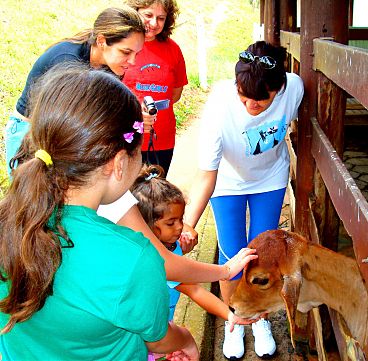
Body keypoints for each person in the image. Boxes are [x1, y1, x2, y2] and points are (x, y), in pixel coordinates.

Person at [0, 64, 198, 360]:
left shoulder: (10, 220)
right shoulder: (133, 257)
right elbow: (158, 340)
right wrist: (186, 338)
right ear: (119, 163)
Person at [184, 41, 304, 359]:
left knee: (261, 257)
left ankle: (259, 318)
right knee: (232, 256)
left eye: (260, 100)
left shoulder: (294, 88)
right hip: (227, 182)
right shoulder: (220, 107)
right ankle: (233, 321)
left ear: (278, 89)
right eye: (244, 96)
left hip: (270, 179)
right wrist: (188, 224)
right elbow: (206, 175)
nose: (250, 105)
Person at [131, 164, 257, 361]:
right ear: (147, 225)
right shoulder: (158, 261)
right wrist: (230, 314)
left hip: (160, 331)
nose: (181, 226)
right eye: (171, 223)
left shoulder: (170, 247)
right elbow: (195, 290)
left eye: (181, 219)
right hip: (149, 337)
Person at [4, 6, 146, 175]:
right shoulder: (68, 63)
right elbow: (74, 121)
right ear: (101, 41)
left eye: (136, 54)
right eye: (126, 52)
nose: (132, 61)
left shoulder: (110, 66)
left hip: (58, 135)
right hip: (29, 134)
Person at [124, 0, 188, 175]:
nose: (154, 23)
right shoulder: (121, 45)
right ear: (134, 11)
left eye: (161, 18)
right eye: (148, 15)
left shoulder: (173, 49)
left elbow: (175, 93)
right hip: (125, 139)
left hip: (161, 140)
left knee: (156, 195)